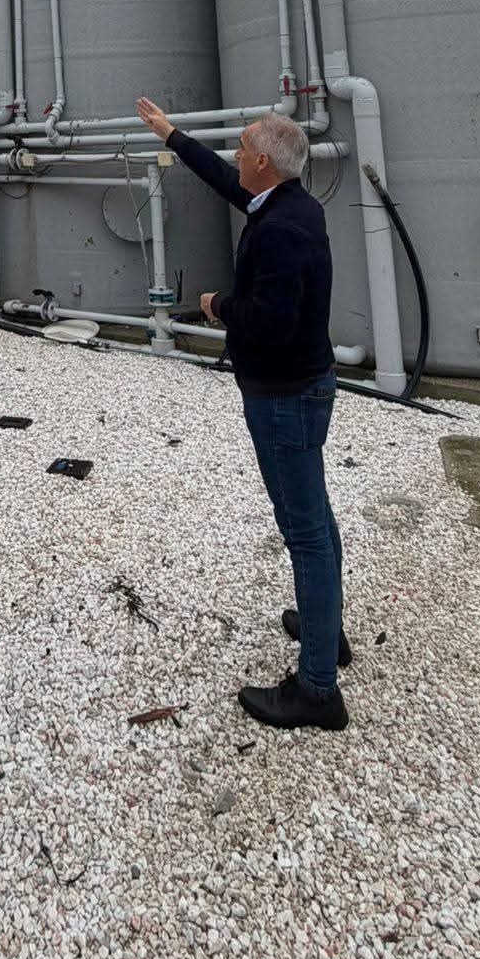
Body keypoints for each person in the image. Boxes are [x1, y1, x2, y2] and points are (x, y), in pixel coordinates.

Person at [135, 97, 351, 730]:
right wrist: (172, 135)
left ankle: (317, 690)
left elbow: (272, 324)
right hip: (301, 386)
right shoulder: (288, 202)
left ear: (262, 160)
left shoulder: (281, 230)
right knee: (315, 516)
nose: (235, 156)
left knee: (305, 531)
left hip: (284, 394)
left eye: (242, 148)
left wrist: (218, 306)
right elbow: (225, 180)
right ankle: (325, 630)